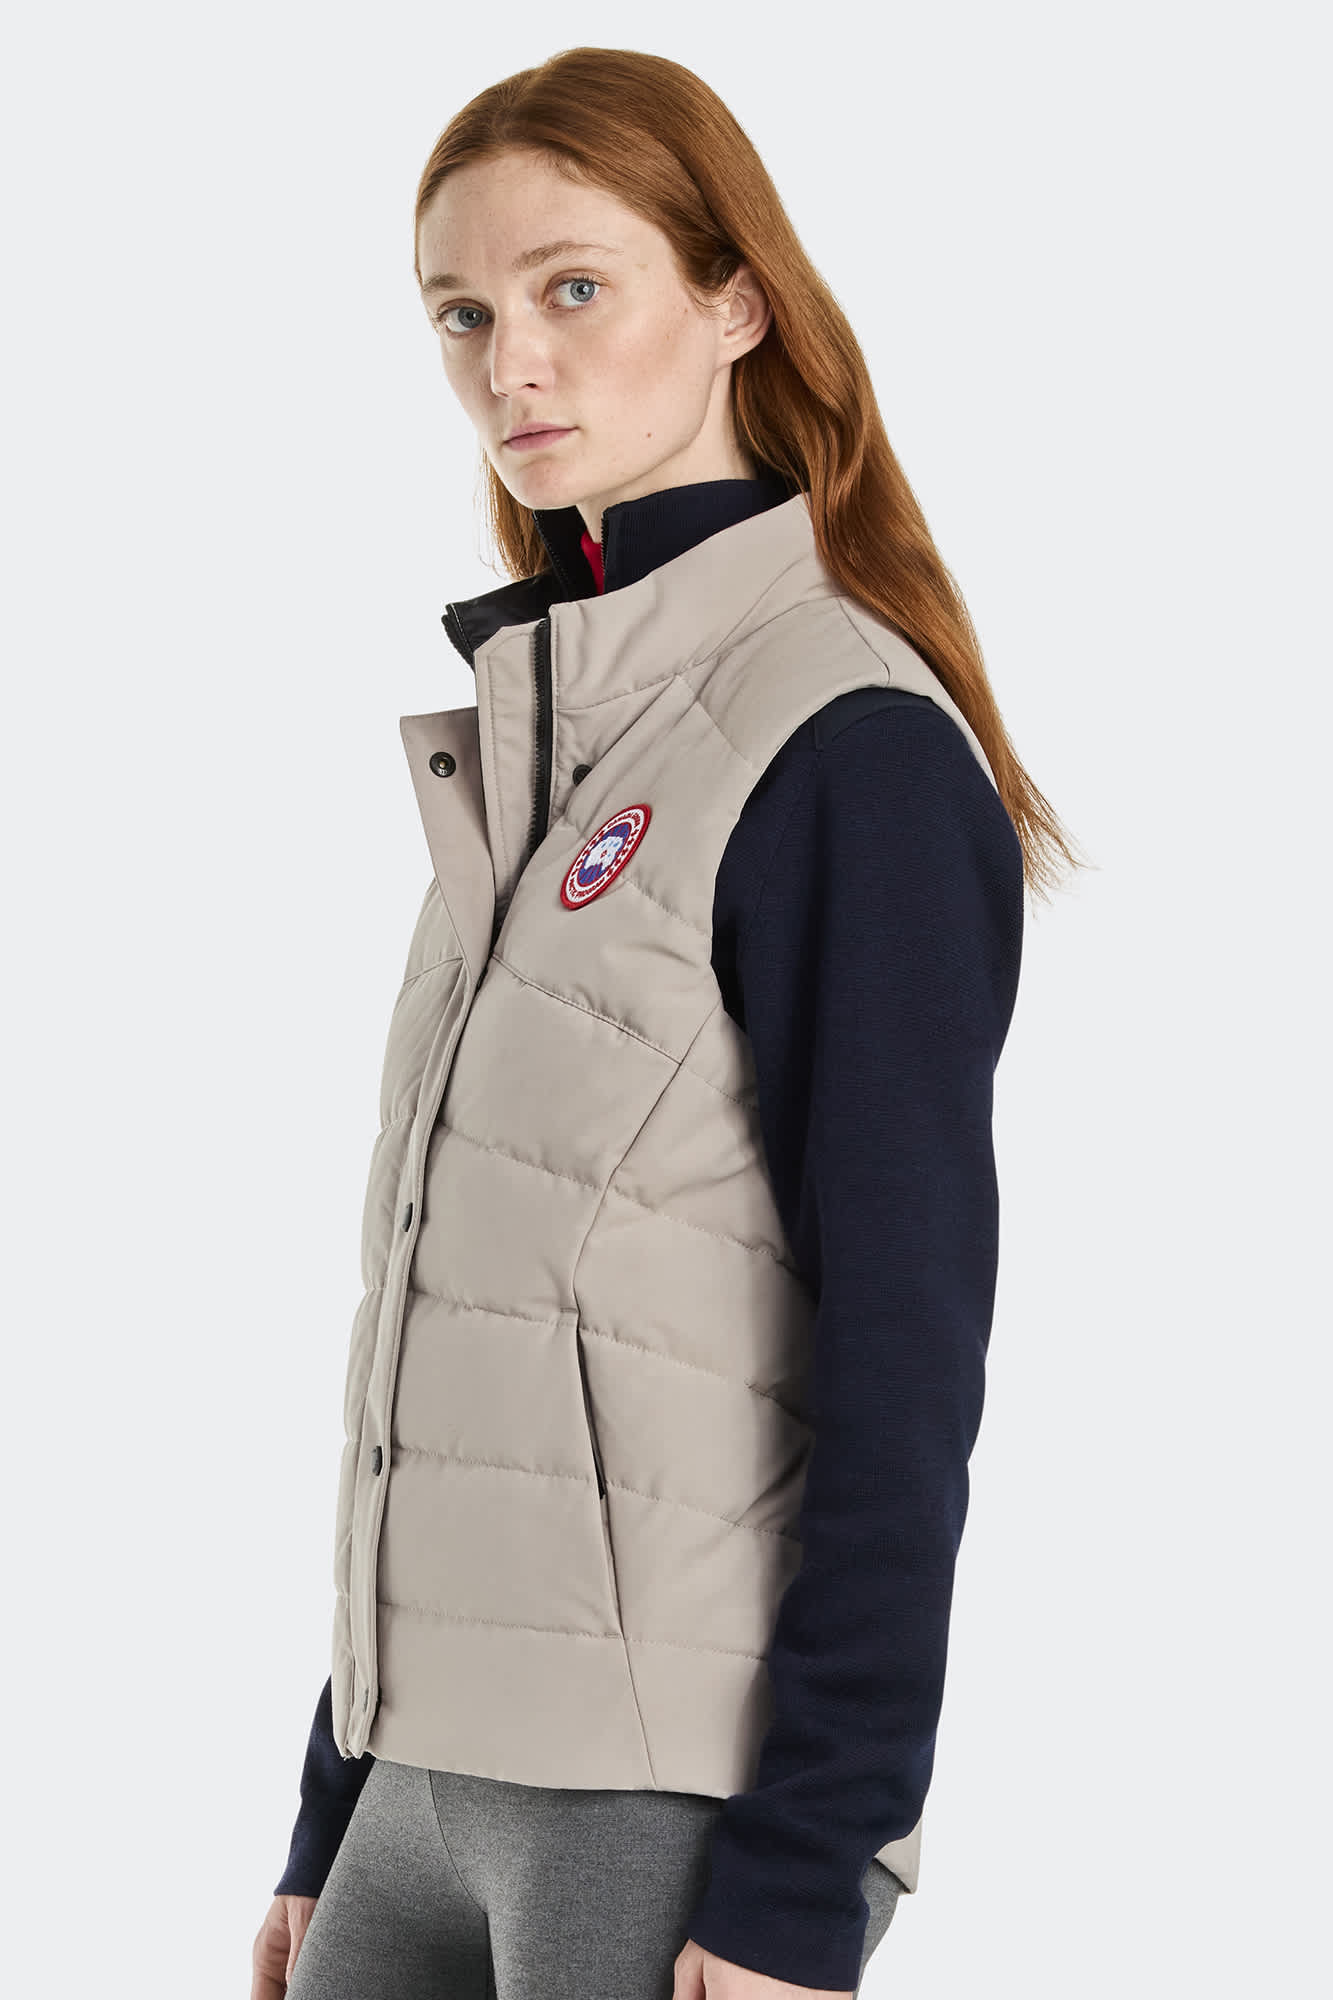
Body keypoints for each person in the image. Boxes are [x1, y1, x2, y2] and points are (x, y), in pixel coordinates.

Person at [250, 45, 1079, 2000]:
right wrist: (329, 1801)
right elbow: (463, 1332)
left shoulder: (842, 746)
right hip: (414, 1779)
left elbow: (906, 1351)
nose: (509, 363)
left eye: (572, 287)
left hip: (664, 1800)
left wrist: (809, 1861)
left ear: (735, 304)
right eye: (461, 312)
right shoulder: (548, 748)